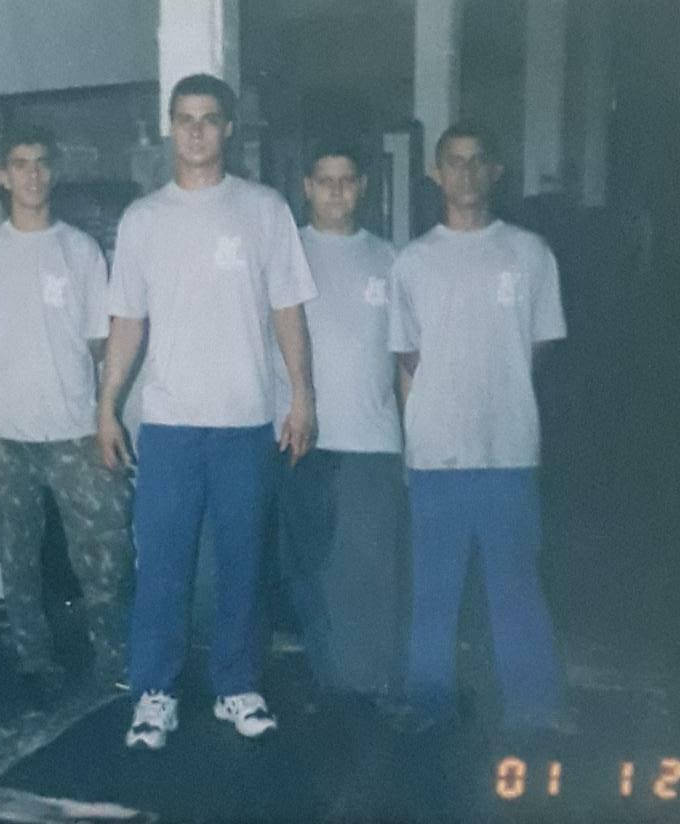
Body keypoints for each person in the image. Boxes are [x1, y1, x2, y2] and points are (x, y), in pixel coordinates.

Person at [98, 73, 318, 750]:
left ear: (228, 129)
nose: (196, 131)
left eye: (209, 118)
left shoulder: (263, 209)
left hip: (246, 423)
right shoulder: (143, 219)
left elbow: (287, 310)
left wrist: (302, 395)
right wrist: (107, 407)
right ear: (171, 127)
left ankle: (237, 687)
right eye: (185, 118)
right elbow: (126, 321)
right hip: (168, 426)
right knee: (161, 566)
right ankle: (155, 694)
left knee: (242, 565)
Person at [389, 122, 570, 732]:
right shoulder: (412, 262)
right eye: (453, 162)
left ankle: (535, 707)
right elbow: (408, 361)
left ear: (495, 172)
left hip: (508, 449)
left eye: (476, 161)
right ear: (436, 174)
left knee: (515, 585)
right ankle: (429, 705)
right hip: (437, 451)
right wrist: (414, 443)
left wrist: (494, 386)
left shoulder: (530, 253)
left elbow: (538, 345)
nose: (465, 173)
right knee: (433, 591)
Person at [0, 125, 134, 696]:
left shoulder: (80, 250)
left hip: (76, 429)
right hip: (8, 434)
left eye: (40, 163)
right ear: (4, 175)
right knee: (16, 556)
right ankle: (33, 658)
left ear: (52, 172)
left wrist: (103, 407)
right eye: (20, 164)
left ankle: (115, 657)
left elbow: (101, 342)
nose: (31, 174)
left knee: (104, 552)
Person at [273, 142, 407, 702]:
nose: (335, 191)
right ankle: (331, 678)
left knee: (369, 567)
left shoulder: (391, 259)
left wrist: (413, 436)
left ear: (363, 187)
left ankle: (371, 682)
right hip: (299, 439)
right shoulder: (283, 254)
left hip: (372, 439)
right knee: (308, 567)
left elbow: (404, 358)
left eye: (346, 180)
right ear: (306, 186)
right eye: (324, 180)